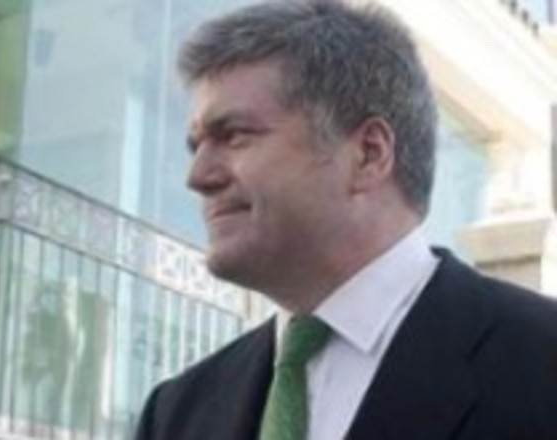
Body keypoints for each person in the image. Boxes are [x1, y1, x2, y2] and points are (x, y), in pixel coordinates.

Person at [134, 1, 557, 439]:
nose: (198, 177)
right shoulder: (176, 413)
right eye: (196, 146)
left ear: (369, 154)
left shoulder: (540, 363)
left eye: (234, 135)